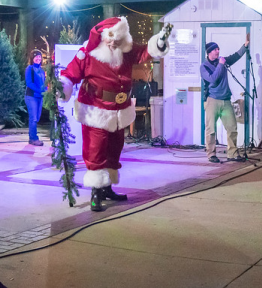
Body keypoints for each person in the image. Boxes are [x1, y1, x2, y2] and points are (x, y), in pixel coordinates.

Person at [59, 16, 171, 211]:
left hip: (119, 110)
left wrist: (159, 42)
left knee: (114, 149)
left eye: (117, 39)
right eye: (110, 38)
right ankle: (96, 191)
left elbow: (145, 52)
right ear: (103, 36)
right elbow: (70, 75)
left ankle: (107, 188)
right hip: (95, 109)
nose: (112, 43)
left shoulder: (126, 50)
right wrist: (61, 88)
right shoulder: (88, 53)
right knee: (96, 150)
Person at [201, 37, 250, 164]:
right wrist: (221, 65)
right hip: (212, 100)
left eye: (218, 49)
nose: (217, 51)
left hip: (226, 100)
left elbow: (235, 56)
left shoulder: (221, 61)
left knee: (232, 128)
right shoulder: (204, 66)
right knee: (211, 129)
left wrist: (244, 46)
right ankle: (211, 154)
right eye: (215, 49)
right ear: (209, 52)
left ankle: (232, 153)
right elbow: (213, 79)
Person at [25, 49, 46, 147]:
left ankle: (32, 137)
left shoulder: (42, 70)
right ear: (32, 58)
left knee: (37, 117)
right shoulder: (30, 68)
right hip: (31, 96)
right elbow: (29, 83)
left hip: (39, 97)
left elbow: (44, 84)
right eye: (36, 56)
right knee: (33, 118)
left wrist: (46, 90)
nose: (38, 58)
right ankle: (33, 138)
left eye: (39, 56)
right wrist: (39, 90)